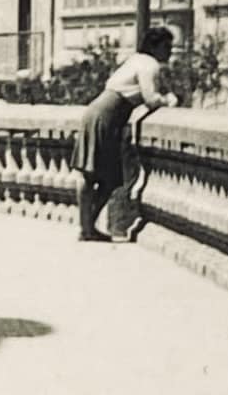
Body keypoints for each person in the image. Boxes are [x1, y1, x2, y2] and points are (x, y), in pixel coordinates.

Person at [73, 25, 178, 242]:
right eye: (166, 46)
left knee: (98, 175)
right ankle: (87, 226)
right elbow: (151, 98)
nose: (169, 51)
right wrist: (168, 99)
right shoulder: (149, 64)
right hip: (108, 115)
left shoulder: (135, 60)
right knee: (97, 175)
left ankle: (87, 226)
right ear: (154, 46)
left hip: (99, 111)